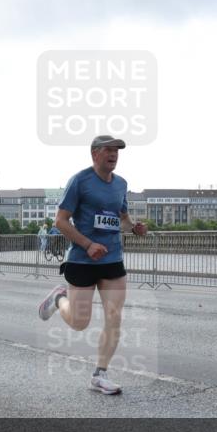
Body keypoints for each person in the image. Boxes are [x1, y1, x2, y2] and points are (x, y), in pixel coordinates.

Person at [37, 135, 148, 394]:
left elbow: (122, 218)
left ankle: (100, 375)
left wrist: (134, 228)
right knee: (79, 322)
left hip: (112, 258)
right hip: (83, 259)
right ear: (95, 153)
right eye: (109, 150)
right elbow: (60, 221)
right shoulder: (80, 181)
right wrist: (88, 244)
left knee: (114, 317)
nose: (114, 154)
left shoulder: (121, 184)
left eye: (117, 151)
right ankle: (59, 300)